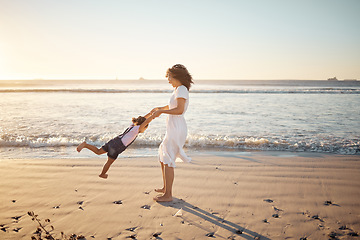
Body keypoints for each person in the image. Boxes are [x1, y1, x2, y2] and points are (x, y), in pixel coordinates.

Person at [151, 64, 193, 202]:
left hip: (177, 127)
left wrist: (162, 112)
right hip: (173, 127)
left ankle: (168, 195)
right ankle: (165, 188)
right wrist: (159, 108)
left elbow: (179, 110)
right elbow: (172, 106)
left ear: (176, 76)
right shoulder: (178, 90)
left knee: (168, 158)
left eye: (169, 76)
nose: (167, 79)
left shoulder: (181, 89)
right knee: (163, 155)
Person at [76, 112, 155, 179]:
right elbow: (146, 121)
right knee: (109, 162)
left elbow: (143, 119)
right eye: (145, 128)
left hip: (114, 141)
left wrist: (150, 113)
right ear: (143, 126)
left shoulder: (133, 126)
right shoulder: (137, 129)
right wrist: (153, 116)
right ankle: (102, 174)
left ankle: (85, 145)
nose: (144, 130)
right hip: (117, 146)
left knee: (98, 151)